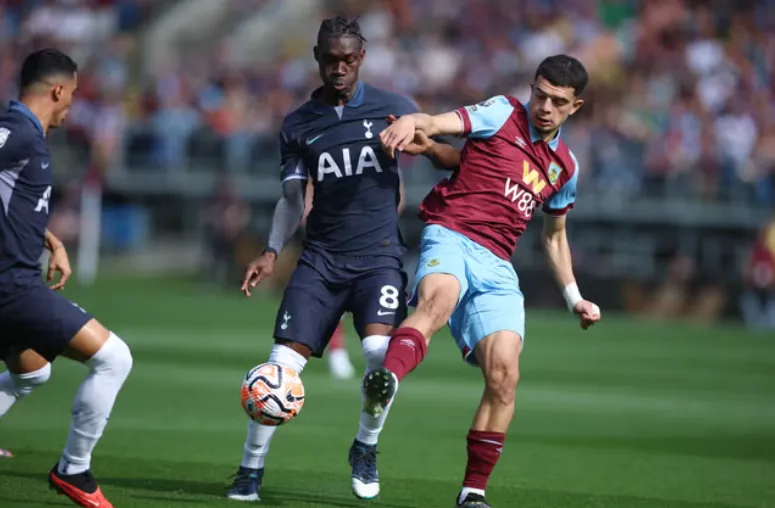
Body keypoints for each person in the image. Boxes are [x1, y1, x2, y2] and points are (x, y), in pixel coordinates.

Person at [228, 16, 457, 502]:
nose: (339, 68)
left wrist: (425, 145)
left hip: (379, 259)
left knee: (380, 360)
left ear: (362, 58)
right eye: (331, 59)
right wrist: (271, 250)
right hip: (321, 261)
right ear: (317, 57)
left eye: (348, 60)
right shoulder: (298, 124)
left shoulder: (394, 108)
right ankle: (250, 468)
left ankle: (366, 447)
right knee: (279, 369)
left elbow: (450, 157)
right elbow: (292, 198)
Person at [364, 55, 602, 508]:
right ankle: (385, 381)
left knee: (505, 376)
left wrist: (575, 298)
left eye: (558, 102)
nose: (545, 107)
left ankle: (473, 492)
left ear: (576, 106)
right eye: (540, 95)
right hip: (451, 233)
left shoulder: (566, 168)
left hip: (497, 264)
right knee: (437, 302)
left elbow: (554, 237)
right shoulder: (502, 112)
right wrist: (414, 123)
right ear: (531, 88)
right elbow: (438, 122)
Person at [0, 49, 133, 508]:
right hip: (12, 288)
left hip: (13, 283)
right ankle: (73, 469)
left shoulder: (26, 134)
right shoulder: (18, 131)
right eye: (73, 94)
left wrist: (49, 238)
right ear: (57, 90)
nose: (73, 105)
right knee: (114, 359)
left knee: (32, 372)